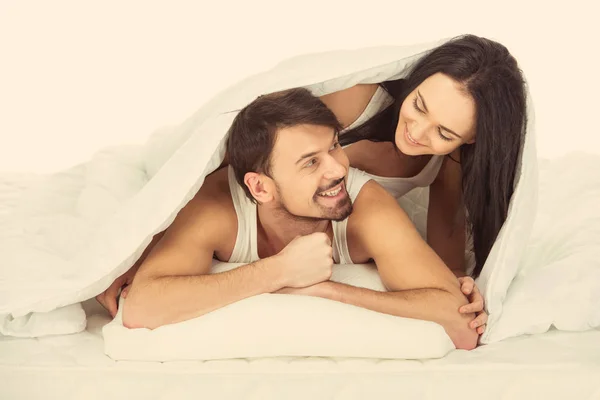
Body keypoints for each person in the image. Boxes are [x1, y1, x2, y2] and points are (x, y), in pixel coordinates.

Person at [117, 88, 482, 349]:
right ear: (260, 189)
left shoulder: (366, 206)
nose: (338, 169)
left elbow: (462, 323)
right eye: (311, 162)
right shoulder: (217, 209)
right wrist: (278, 272)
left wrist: (328, 289)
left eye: (335, 146)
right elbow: (139, 306)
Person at [319, 35, 527, 310]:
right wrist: (352, 156)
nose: (415, 133)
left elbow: (448, 232)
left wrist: (459, 282)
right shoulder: (355, 97)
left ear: (471, 139)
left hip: (341, 241)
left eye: (443, 133)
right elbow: (272, 141)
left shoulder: (449, 160)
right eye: (418, 105)